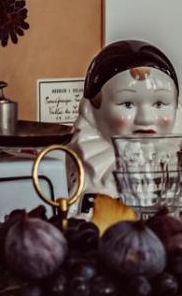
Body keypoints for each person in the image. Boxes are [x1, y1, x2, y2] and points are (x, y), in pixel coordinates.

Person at [68, 40, 179, 204]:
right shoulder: (85, 172)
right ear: (90, 111)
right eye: (127, 104)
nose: (145, 118)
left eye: (159, 104)